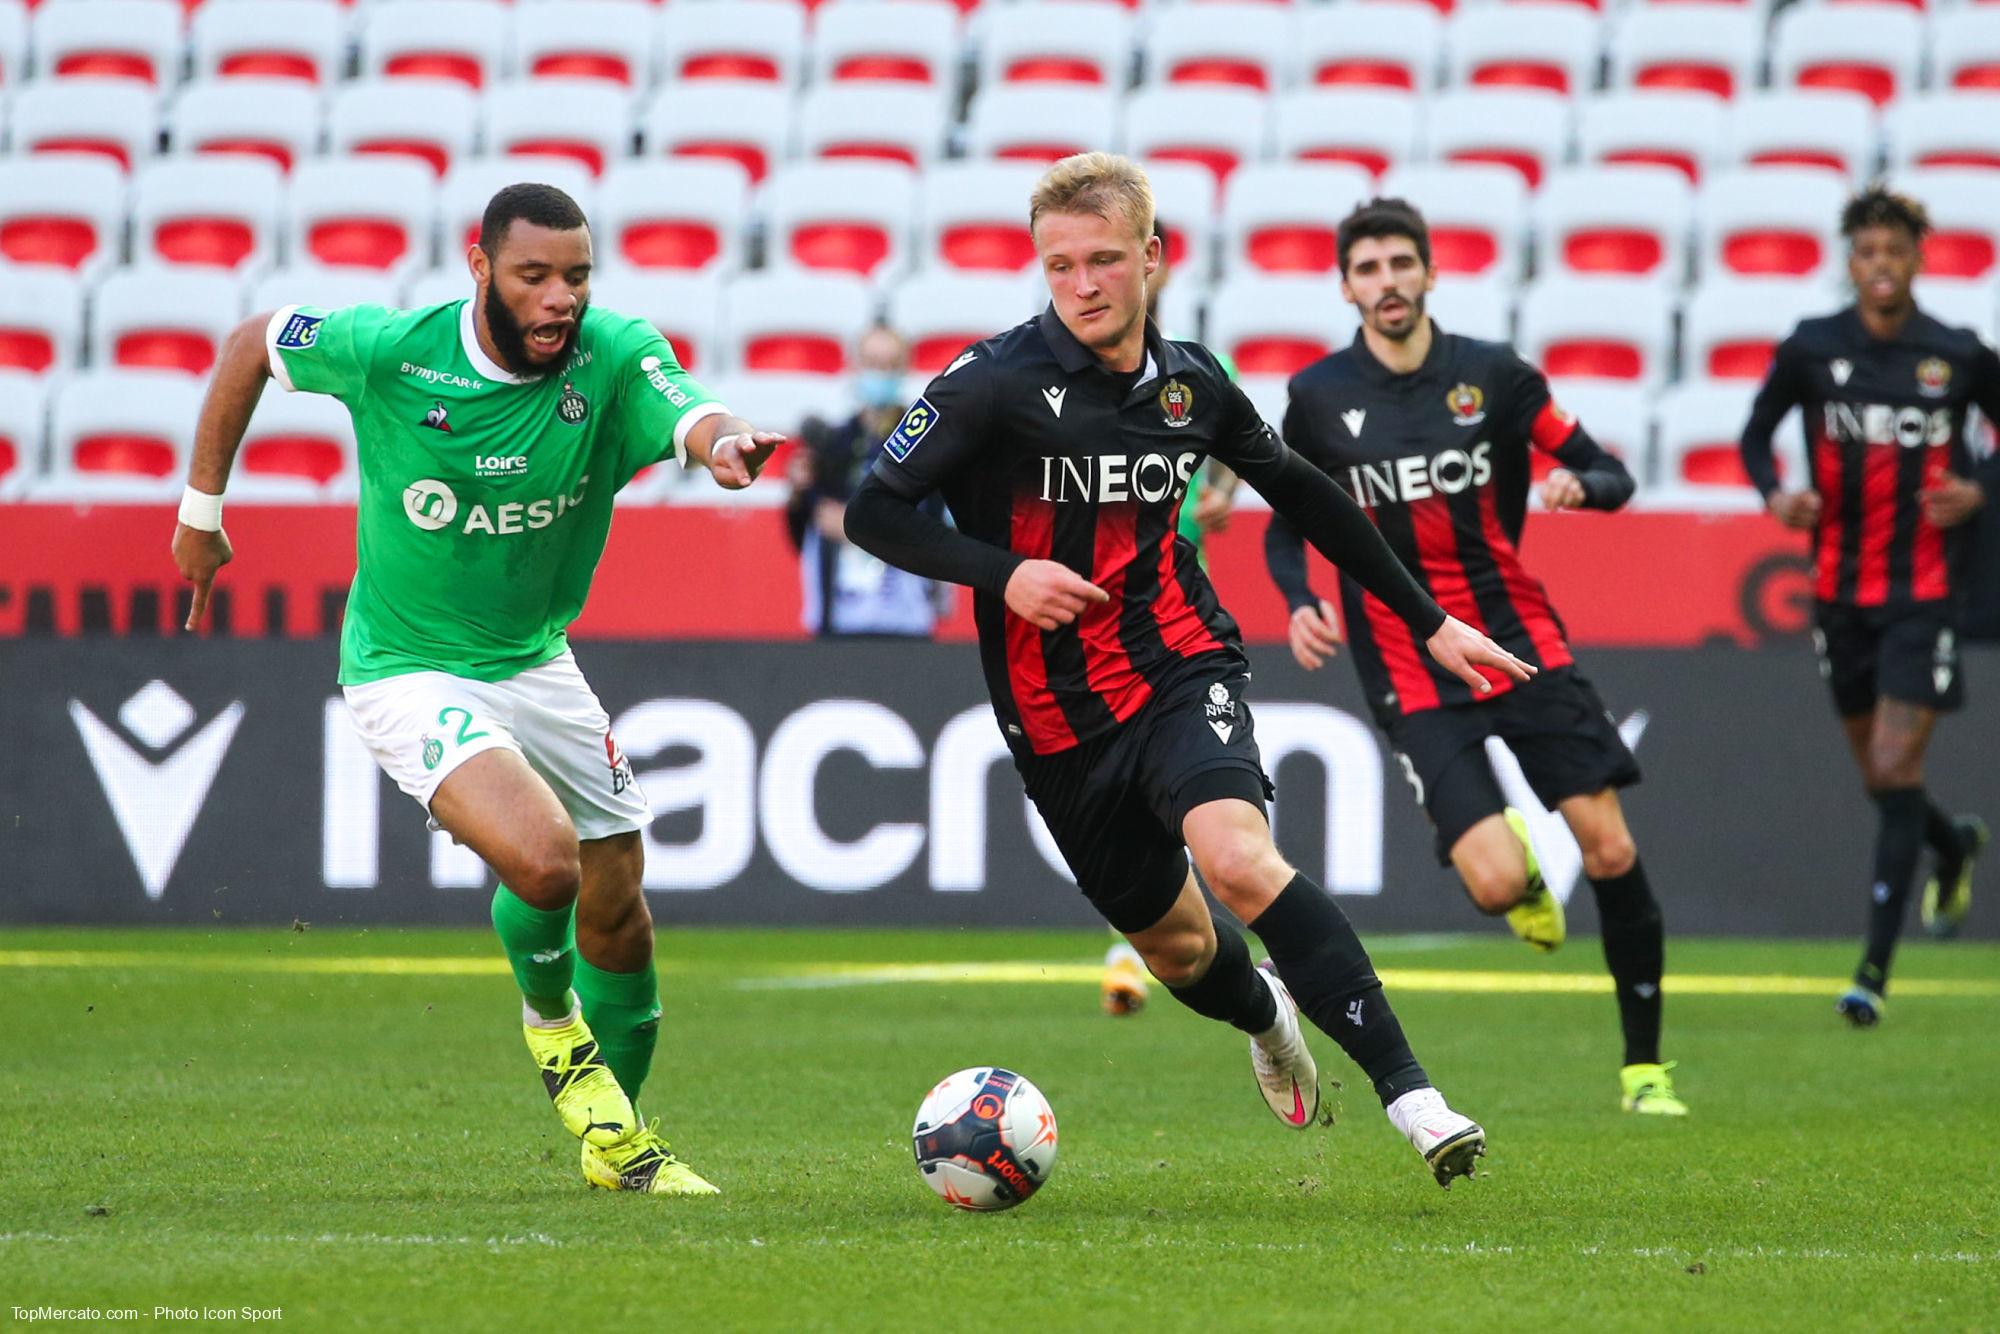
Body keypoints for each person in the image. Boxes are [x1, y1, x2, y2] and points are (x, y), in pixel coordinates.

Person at [845, 152, 1535, 1188]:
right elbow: (872, 508)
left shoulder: (1193, 386)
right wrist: (1004, 573)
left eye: (1103, 260)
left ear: (1152, 258)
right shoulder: (989, 383)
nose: (1081, 284)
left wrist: (1429, 620)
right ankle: (1265, 1011)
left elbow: (1304, 493)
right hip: (1054, 722)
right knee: (1176, 951)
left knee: (1238, 858)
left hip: (1178, 663)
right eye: (1060, 264)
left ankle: (1412, 1095)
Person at [170, 183, 784, 1194]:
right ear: (480, 268)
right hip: (405, 664)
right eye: (534, 276)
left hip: (535, 658)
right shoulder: (392, 350)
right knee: (545, 864)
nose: (558, 300)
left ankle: (615, 1146)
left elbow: (691, 412)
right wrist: (201, 510)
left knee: (619, 902)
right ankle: (554, 1029)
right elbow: (250, 343)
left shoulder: (613, 355)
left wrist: (722, 444)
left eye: (575, 277)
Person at [1262, 198, 1686, 1118]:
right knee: (1495, 883)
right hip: (1405, 657)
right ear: (1346, 287)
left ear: (1428, 273)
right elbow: (1287, 522)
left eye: (1400, 264)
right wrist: (1298, 600)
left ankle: (1645, 1069)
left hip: (1518, 639)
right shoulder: (1319, 397)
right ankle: (1524, 876)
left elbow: (1609, 469)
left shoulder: (1493, 376)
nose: (1387, 283)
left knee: (1610, 847)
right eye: (1367, 269)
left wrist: (1585, 483)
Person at [1738, 185, 2000, 1026]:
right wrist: (1776, 493)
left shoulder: (1956, 353)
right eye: (1868, 253)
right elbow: (1755, 434)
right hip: (1838, 594)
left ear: (1919, 259)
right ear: (1849, 262)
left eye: (1896, 252)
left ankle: (1873, 974)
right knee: (1880, 779)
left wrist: (1978, 487)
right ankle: (1952, 843)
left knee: (1893, 771)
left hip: (1924, 595)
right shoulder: (1814, 348)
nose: (1882, 267)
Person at [1103, 241, 1237, 1016]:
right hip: (1104, 619)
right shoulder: (1072, 378)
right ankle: (1131, 945)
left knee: (1202, 793)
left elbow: (1235, 464)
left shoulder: (1199, 372)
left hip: (1182, 612)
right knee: (1128, 804)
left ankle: (1154, 946)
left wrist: (1222, 496)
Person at [791, 324, 950, 638]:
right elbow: (805, 530)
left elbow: (933, 527)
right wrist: (799, 493)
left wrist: (856, 529)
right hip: (838, 615)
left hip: (906, 618)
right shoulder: (833, 445)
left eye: (889, 365)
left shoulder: (925, 443)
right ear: (855, 367)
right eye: (872, 363)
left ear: (903, 370)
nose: (880, 374)